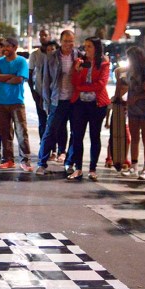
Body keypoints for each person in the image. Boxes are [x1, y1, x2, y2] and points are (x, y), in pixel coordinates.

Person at [35, 30, 79, 176]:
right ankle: (42, 163)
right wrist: (47, 103)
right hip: (57, 100)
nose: (68, 44)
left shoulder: (78, 56)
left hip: (74, 100)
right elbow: (46, 81)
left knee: (75, 132)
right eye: (66, 41)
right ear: (60, 41)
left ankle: (69, 162)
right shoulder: (52, 57)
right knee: (50, 131)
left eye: (71, 41)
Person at [67, 37, 110, 181]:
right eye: (85, 46)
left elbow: (101, 84)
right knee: (77, 136)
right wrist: (78, 72)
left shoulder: (103, 63)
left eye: (90, 46)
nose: (87, 49)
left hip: (96, 104)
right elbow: (74, 82)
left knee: (94, 136)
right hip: (80, 103)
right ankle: (78, 168)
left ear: (96, 48)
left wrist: (81, 87)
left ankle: (92, 169)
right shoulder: (79, 62)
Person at [0, 37, 33, 171]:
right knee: (4, 132)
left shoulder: (21, 61)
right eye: (3, 46)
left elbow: (19, 79)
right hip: (0, 101)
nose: (4, 49)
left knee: (21, 132)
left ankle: (25, 160)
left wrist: (3, 77)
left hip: (16, 101)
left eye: (7, 46)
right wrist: (10, 76)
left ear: (15, 47)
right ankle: (8, 159)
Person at [119, 46, 145, 180]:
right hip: (133, 108)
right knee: (134, 138)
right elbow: (125, 86)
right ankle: (134, 165)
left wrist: (136, 98)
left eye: (129, 58)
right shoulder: (129, 72)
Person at [28, 29, 51, 140]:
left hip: (54, 94)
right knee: (42, 121)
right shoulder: (35, 55)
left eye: (45, 35)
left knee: (55, 122)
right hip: (40, 93)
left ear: (50, 36)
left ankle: (56, 149)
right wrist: (33, 92)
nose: (43, 37)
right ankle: (43, 145)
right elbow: (30, 74)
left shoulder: (54, 53)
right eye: (41, 35)